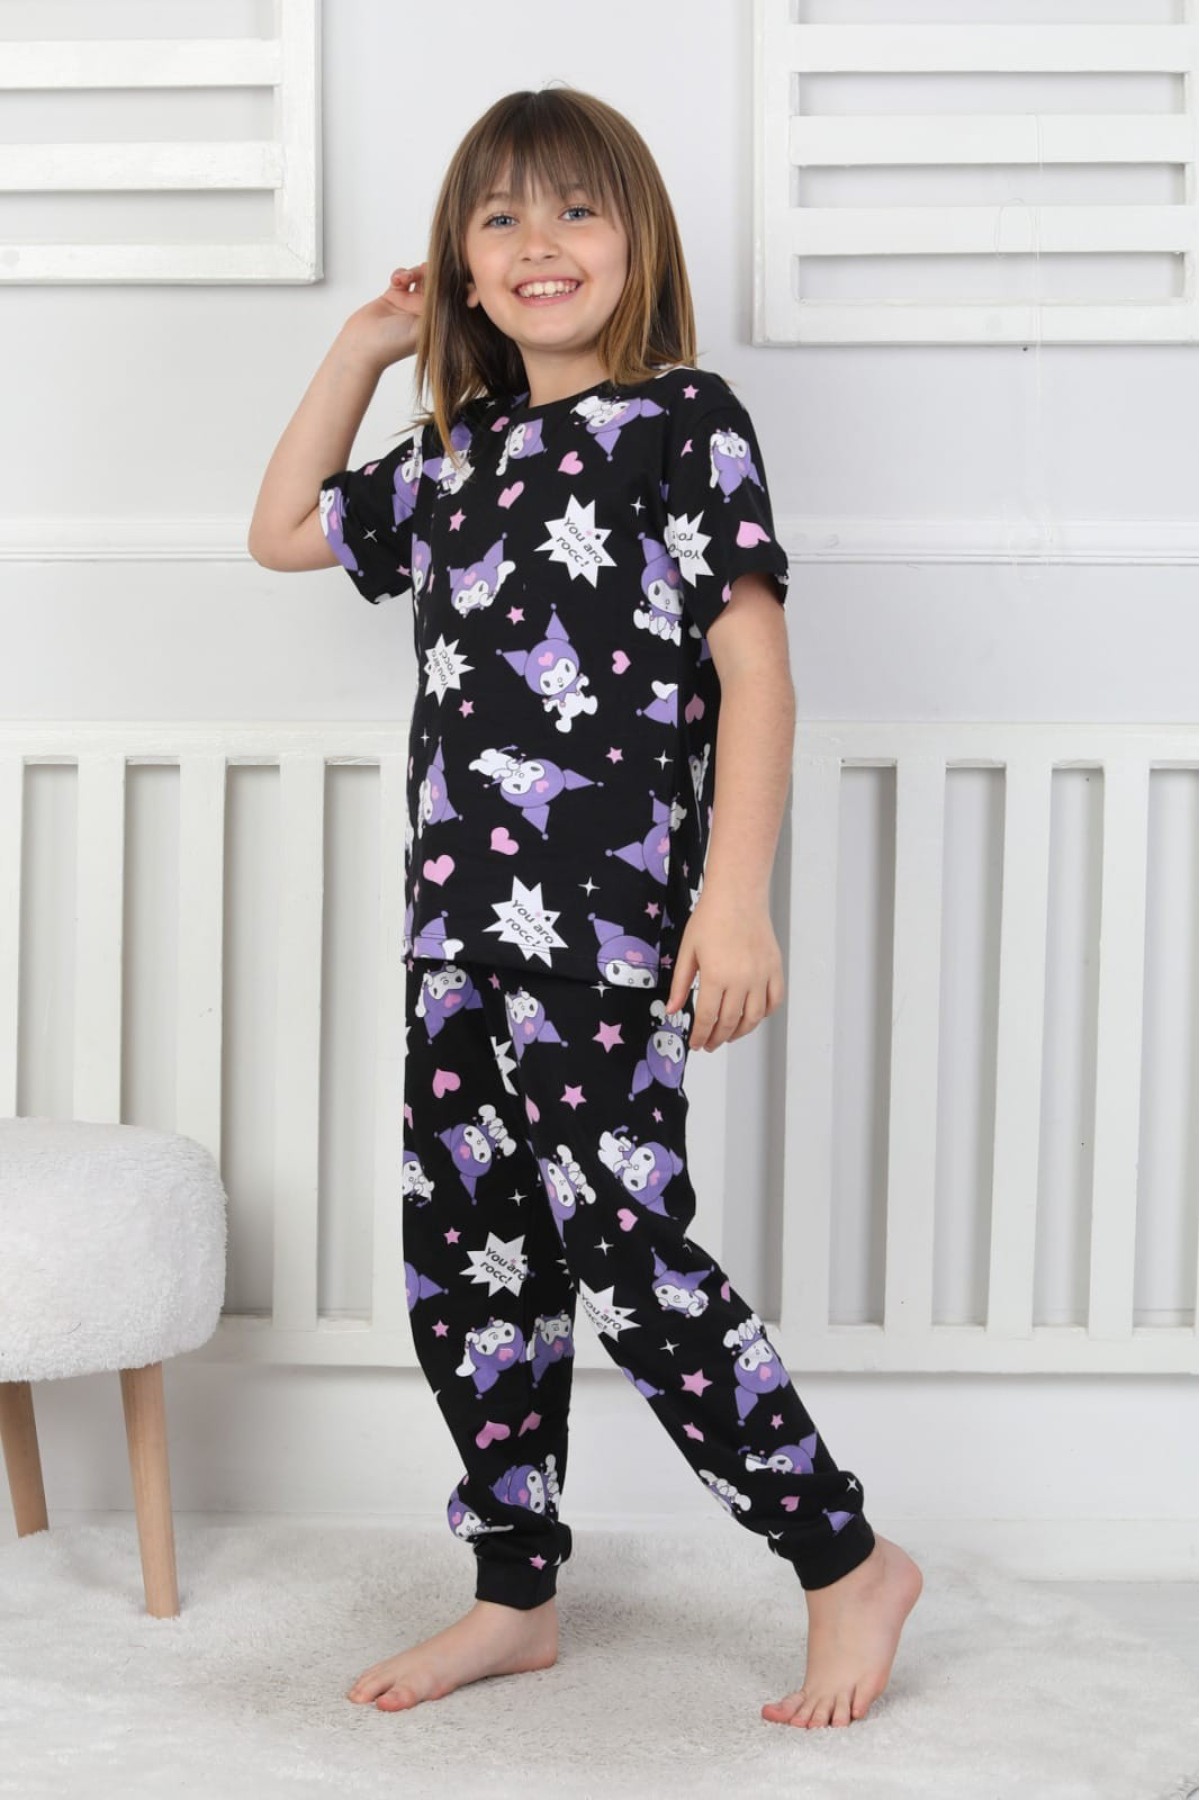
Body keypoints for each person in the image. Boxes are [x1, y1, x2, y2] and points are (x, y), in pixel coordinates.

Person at [249, 84, 922, 1731]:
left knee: (629, 1253)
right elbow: (279, 534)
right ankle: (515, 1593)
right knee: (467, 1257)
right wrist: (366, 346)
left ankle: (843, 1558)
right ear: (462, 266)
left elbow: (755, 673)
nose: (537, 243)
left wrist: (734, 902)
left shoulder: (685, 421)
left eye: (574, 210)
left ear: (638, 242)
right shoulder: (456, 451)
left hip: (607, 931)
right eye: (500, 219)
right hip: (454, 934)